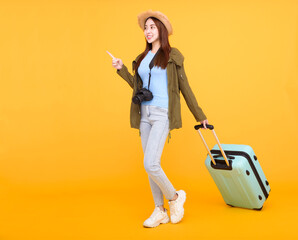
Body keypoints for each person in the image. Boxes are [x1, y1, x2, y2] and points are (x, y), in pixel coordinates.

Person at [111, 10, 208, 228]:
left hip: (162, 113)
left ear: (161, 30)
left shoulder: (172, 56)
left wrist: (199, 115)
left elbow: (185, 88)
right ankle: (160, 210)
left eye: (152, 27)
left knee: (150, 162)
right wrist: (122, 69)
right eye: (146, 27)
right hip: (144, 115)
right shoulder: (143, 58)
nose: (148, 31)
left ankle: (174, 197)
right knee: (149, 166)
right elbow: (136, 86)